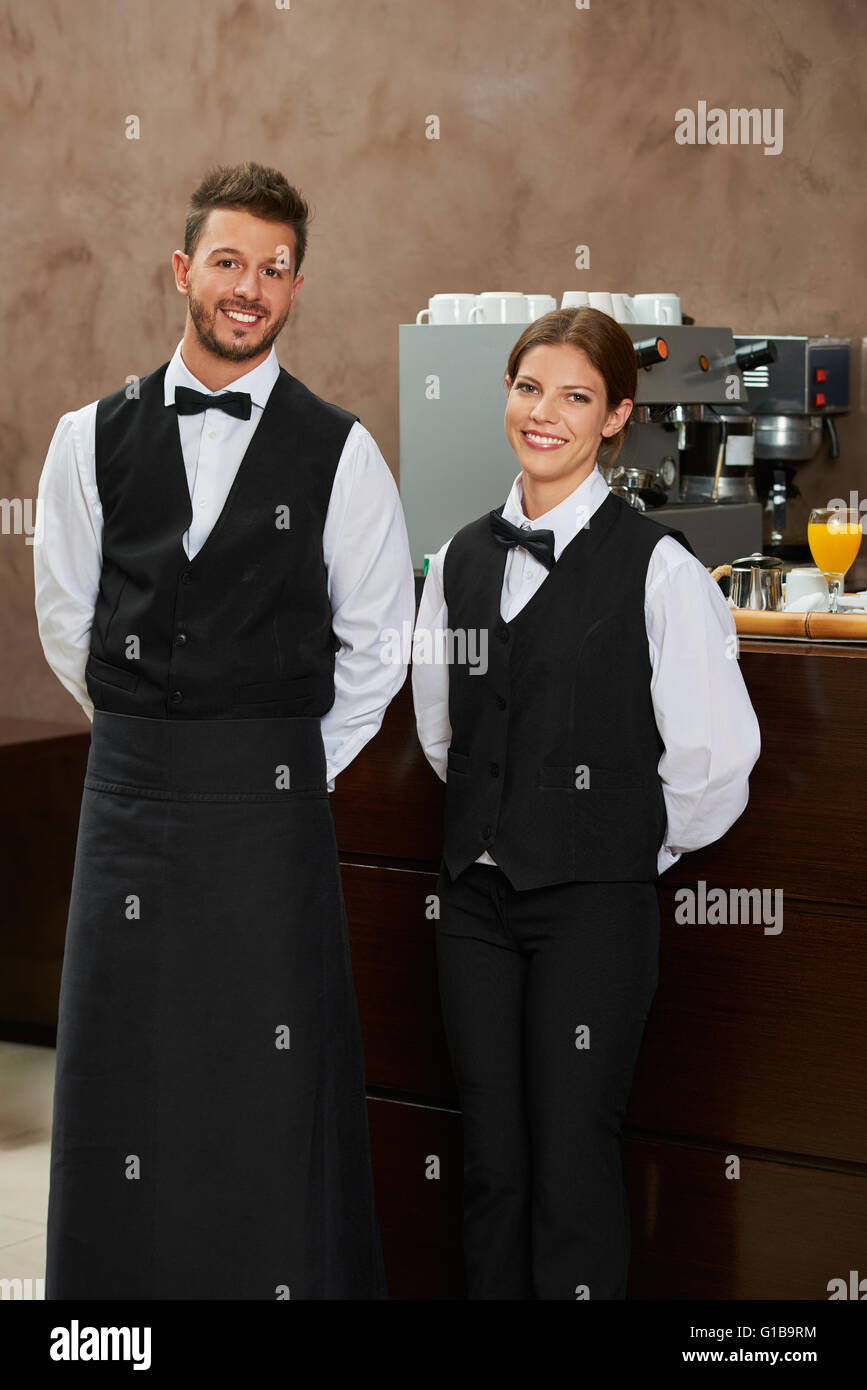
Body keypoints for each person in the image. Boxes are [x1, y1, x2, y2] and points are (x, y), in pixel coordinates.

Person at [34, 160, 415, 1299]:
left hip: (271, 814)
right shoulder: (83, 439)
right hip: (131, 799)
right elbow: (72, 622)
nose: (250, 286)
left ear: (298, 288)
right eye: (230, 261)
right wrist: (157, 735)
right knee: (123, 1069)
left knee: (265, 1076)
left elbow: (379, 645)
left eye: (276, 268)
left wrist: (280, 768)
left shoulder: (342, 452)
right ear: (183, 269)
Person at [411, 307, 761, 1300]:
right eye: (529, 388)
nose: (545, 413)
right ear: (506, 397)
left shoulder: (659, 570)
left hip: (595, 914)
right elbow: (445, 733)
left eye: (575, 396)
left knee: (572, 1164)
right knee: (491, 1164)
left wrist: (615, 851)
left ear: (615, 417)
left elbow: (713, 761)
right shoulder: (458, 559)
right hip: (474, 909)